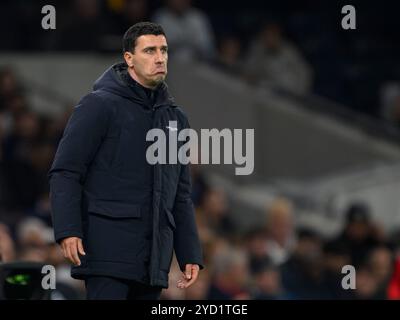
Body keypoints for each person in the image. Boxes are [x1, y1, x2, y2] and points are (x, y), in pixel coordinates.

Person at [48, 22, 204, 300]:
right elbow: (66, 171)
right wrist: (68, 229)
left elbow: (180, 194)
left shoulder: (176, 119)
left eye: (164, 50)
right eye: (150, 50)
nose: (160, 58)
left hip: (153, 259)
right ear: (129, 59)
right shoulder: (98, 105)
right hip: (106, 251)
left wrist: (189, 252)